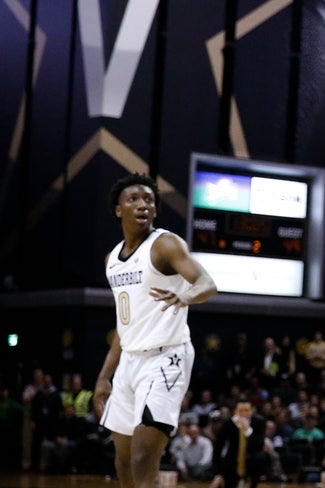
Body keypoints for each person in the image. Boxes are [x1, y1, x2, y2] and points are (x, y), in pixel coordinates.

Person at [92, 173, 218, 488]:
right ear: (118, 209)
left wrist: (186, 295)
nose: (143, 205)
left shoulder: (164, 244)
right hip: (129, 360)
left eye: (149, 200)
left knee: (143, 457)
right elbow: (124, 326)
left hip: (166, 357)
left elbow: (207, 283)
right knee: (123, 461)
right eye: (133, 199)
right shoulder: (112, 260)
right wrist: (104, 376)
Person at [212, 401, 268, 488]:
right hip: (233, 459)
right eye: (241, 411)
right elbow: (218, 447)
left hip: (252, 459)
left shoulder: (259, 421)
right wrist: (218, 473)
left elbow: (259, 445)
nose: (244, 413)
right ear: (235, 411)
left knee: (260, 457)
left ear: (251, 411)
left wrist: (248, 431)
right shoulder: (229, 423)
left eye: (247, 410)